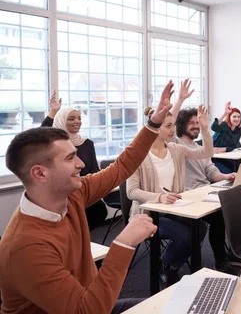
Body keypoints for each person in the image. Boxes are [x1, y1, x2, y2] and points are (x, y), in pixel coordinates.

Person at [0, 81, 174, 314]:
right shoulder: (26, 246)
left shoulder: (72, 195)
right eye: (70, 158)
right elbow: (87, 311)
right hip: (89, 308)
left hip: (92, 300)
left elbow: (120, 168)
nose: (81, 164)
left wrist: (153, 124)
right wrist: (123, 243)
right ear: (40, 173)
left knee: (168, 306)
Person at [126, 102, 213, 286]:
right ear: (154, 128)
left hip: (173, 209)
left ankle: (168, 265)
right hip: (148, 214)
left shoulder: (176, 149)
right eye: (168, 126)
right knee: (186, 235)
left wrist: (205, 128)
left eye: (173, 125)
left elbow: (207, 152)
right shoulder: (138, 154)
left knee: (201, 227)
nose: (173, 129)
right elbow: (131, 191)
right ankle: (168, 265)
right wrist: (159, 197)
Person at [170, 79, 233, 273]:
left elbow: (210, 171)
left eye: (197, 123)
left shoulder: (199, 148)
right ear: (181, 125)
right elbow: (168, 121)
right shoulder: (174, 144)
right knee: (216, 217)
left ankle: (222, 258)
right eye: (192, 123)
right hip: (186, 197)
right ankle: (213, 260)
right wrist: (180, 99)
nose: (196, 126)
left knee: (224, 212)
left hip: (204, 192)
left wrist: (225, 176)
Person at [41, 90, 108, 231]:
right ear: (61, 121)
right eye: (71, 119)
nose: (77, 121)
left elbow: (94, 170)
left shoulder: (87, 143)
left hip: (84, 194)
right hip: (62, 197)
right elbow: (39, 136)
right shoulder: (55, 143)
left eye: (78, 118)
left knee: (99, 211)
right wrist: (53, 112)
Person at [211, 101, 241, 174]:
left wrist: (221, 149)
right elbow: (213, 126)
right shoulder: (224, 125)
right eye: (234, 116)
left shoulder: (239, 130)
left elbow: (234, 146)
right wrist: (225, 113)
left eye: (239, 117)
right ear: (229, 117)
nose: (237, 119)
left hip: (227, 156)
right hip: (215, 158)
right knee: (230, 172)